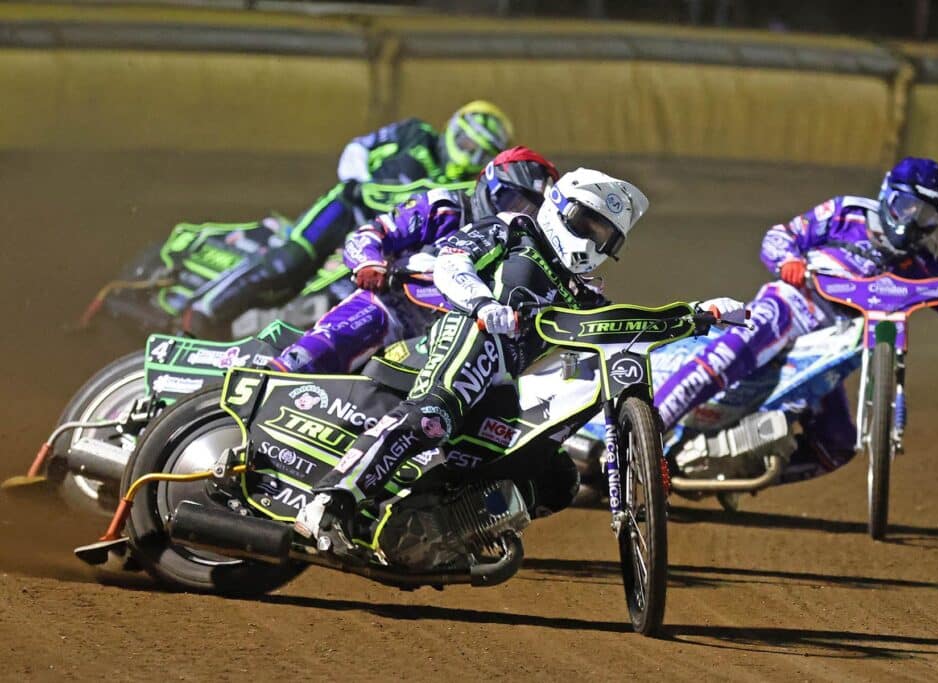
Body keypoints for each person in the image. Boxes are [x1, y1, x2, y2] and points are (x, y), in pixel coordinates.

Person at [293, 167, 650, 546]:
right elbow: (452, 259)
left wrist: (690, 319)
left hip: (507, 386)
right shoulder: (515, 229)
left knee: (558, 478)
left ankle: (439, 531)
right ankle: (331, 499)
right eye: (587, 224)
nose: (592, 242)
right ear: (559, 207)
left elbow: (621, 329)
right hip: (470, 331)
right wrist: (483, 304)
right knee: (433, 415)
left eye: (604, 236)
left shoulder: (586, 296)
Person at [655, 157, 938, 483]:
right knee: (727, 356)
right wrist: (788, 261)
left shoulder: (922, 263)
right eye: (906, 206)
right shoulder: (847, 213)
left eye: (926, 215)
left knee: (837, 445)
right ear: (887, 195)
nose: (912, 221)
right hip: (794, 304)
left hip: (835, 344)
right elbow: (780, 236)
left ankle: (735, 467)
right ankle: (646, 431)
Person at [181, 101, 514, 336]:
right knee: (289, 262)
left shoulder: (465, 190)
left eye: (480, 152)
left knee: (353, 304)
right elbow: (359, 148)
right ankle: (204, 311)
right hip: (347, 209)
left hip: (384, 246)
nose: (469, 154)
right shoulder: (415, 133)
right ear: (453, 128)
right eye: (466, 142)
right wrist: (358, 181)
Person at [268, 146, 561, 375]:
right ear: (490, 186)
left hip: (454, 338)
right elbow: (373, 232)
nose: (517, 214)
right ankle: (277, 376)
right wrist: (369, 263)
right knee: (339, 338)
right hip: (395, 307)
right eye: (513, 202)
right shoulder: (446, 206)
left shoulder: (528, 252)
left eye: (529, 210)